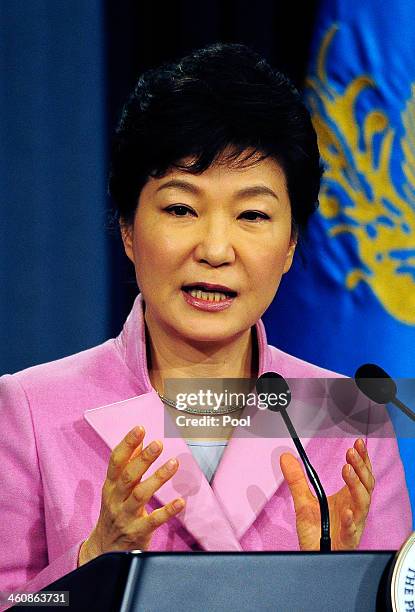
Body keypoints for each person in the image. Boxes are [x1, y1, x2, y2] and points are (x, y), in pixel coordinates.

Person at [0, 43, 411, 601]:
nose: (216, 248)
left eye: (252, 215)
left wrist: (340, 581)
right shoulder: (30, 406)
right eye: (180, 209)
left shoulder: (346, 416)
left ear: (290, 244)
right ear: (126, 227)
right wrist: (94, 558)